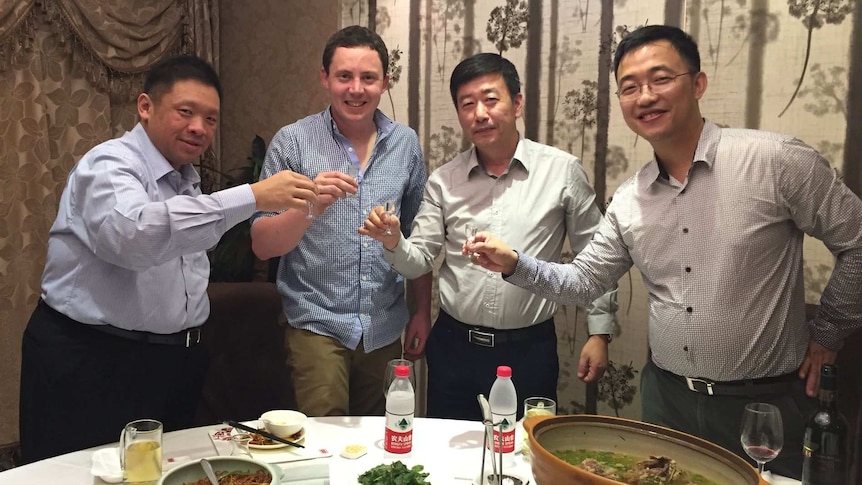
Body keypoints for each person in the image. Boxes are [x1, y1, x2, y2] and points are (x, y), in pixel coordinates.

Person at [466, 25, 862, 479]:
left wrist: (830, 332)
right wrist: (515, 264)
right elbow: (584, 281)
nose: (645, 96)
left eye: (660, 79)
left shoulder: (776, 162)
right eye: (630, 87)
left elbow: (857, 240)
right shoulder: (630, 199)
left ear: (697, 83)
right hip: (666, 402)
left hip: (765, 406)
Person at [19, 55, 319, 463]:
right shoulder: (109, 165)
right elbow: (135, 237)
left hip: (170, 363)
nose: (199, 128)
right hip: (93, 358)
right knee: (80, 472)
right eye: (186, 112)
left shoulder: (185, 181)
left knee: (161, 472)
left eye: (211, 119)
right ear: (145, 107)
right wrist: (253, 195)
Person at [360, 53, 618, 421]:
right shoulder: (444, 181)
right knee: (448, 458)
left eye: (490, 99)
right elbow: (419, 259)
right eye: (467, 104)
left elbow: (597, 257)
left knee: (522, 460)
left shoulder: (561, 172)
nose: (479, 113)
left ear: (516, 103)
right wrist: (393, 241)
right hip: (454, 348)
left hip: (530, 349)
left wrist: (600, 333)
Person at [250, 26, 431, 417]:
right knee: (325, 446)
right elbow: (262, 244)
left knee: (381, 441)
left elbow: (420, 238)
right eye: (344, 76)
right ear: (325, 78)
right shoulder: (293, 142)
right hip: (317, 321)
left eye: (368, 78)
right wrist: (308, 207)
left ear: (385, 81)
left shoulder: (405, 144)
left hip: (384, 326)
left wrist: (420, 312)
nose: (356, 89)